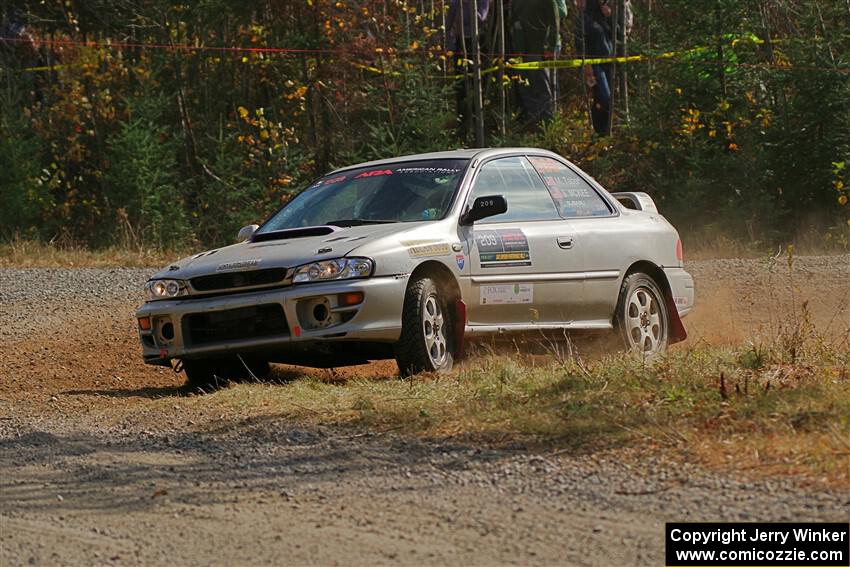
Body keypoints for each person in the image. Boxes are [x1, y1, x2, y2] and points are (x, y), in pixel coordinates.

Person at [510, 0, 567, 128]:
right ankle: (535, 124)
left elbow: (554, 22)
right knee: (527, 89)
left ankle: (549, 127)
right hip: (523, 51)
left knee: (544, 89)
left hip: (540, 51)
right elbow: (513, 21)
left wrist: (550, 47)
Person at [446, 0, 490, 139]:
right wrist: (451, 45)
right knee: (460, 86)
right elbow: (448, 25)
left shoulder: (482, 1)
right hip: (460, 44)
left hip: (477, 43)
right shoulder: (455, 3)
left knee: (477, 82)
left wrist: (469, 4)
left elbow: (480, 18)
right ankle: (462, 123)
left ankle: (480, 121)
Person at [575, 0, 613, 136]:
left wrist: (609, 17)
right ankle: (600, 131)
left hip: (609, 62)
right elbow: (579, 44)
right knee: (605, 97)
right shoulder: (584, 18)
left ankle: (603, 133)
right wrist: (587, 65)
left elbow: (619, 34)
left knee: (602, 99)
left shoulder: (603, 15)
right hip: (594, 65)